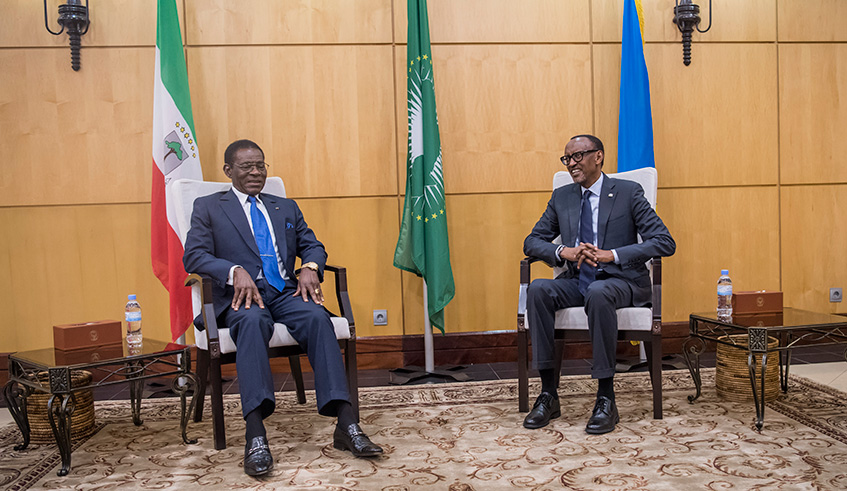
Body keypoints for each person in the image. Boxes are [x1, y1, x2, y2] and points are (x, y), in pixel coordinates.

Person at [183, 139, 382, 477]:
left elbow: (313, 246)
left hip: (285, 292)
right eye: (247, 166)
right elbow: (195, 256)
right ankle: (255, 433)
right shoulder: (209, 207)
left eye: (261, 165)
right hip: (241, 297)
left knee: (317, 317)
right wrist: (233, 272)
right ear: (228, 171)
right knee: (251, 322)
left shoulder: (284, 206)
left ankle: (346, 425)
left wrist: (311, 268)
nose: (256, 172)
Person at [522, 134, 676, 434]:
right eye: (567, 159)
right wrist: (562, 251)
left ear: (598, 156)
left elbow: (665, 242)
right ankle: (548, 394)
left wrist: (613, 255)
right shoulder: (563, 197)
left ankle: (606, 397)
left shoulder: (629, 192)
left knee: (599, 291)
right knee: (539, 289)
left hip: (621, 281)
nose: (571, 164)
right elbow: (531, 241)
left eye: (577, 156)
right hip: (577, 280)